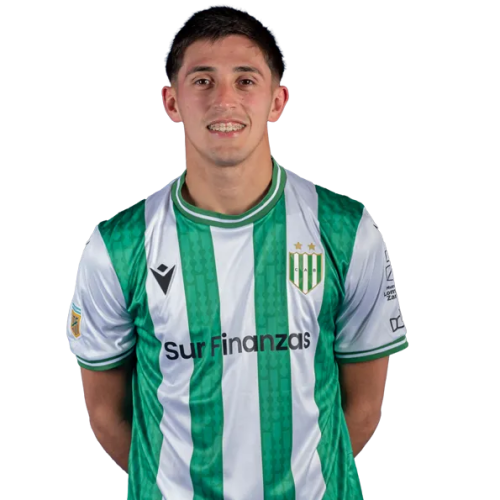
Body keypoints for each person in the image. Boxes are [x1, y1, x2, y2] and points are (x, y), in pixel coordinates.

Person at [66, 5, 408, 499]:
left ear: (277, 101)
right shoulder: (117, 246)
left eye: (245, 81)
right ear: (171, 102)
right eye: (202, 81)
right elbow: (105, 414)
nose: (224, 100)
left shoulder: (346, 229)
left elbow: (365, 407)